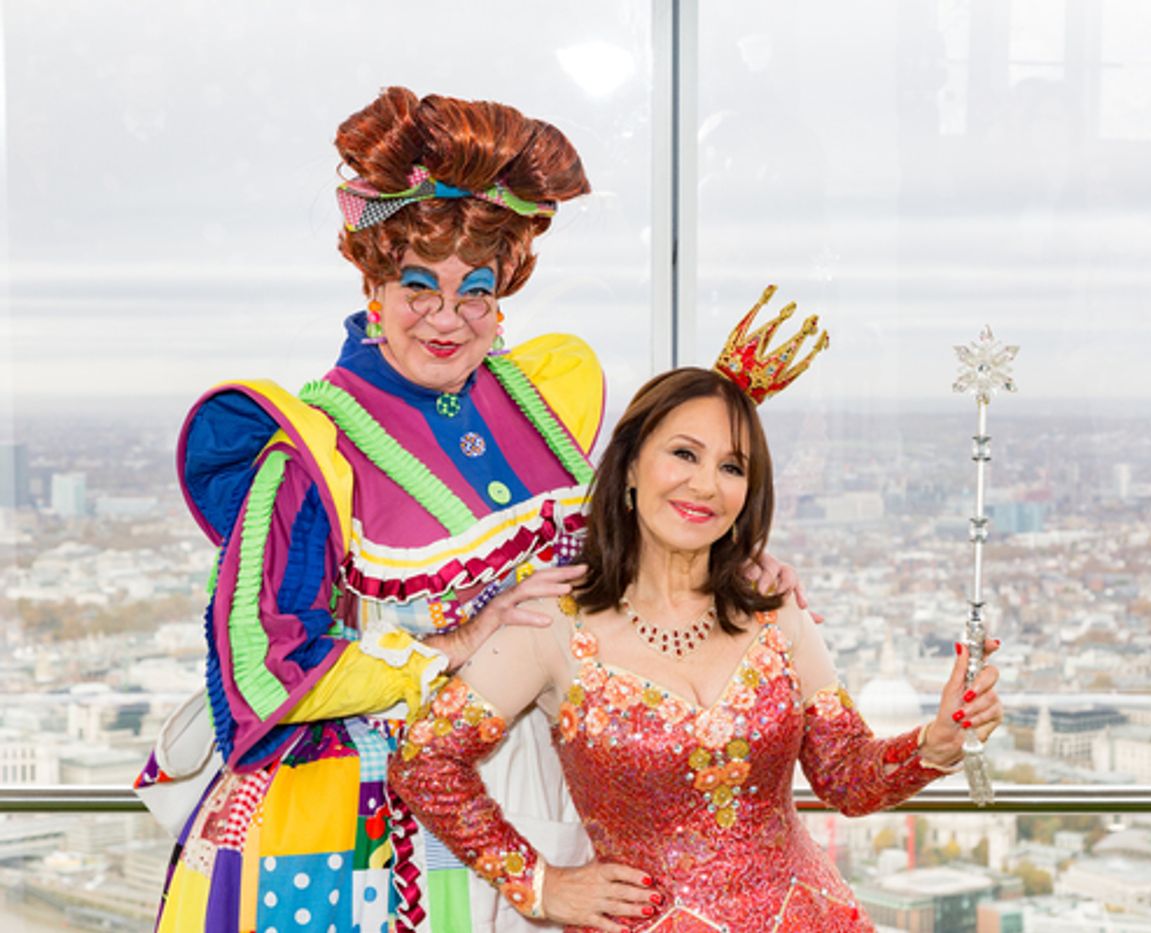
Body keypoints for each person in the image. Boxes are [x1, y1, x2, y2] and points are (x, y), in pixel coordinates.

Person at [139, 86, 797, 933]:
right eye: (419, 287)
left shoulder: (532, 408)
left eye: (474, 291)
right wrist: (455, 641)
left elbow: (602, 565)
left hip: (534, 800)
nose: (447, 318)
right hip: (359, 832)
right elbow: (264, 671)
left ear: (501, 296)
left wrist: (729, 573)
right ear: (373, 285)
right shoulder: (308, 451)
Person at [386, 309, 1005, 932]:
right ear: (629, 467)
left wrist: (937, 745)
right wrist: (540, 886)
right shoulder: (555, 625)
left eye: (732, 467)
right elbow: (422, 761)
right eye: (684, 454)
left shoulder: (776, 612)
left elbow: (845, 778)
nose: (706, 484)